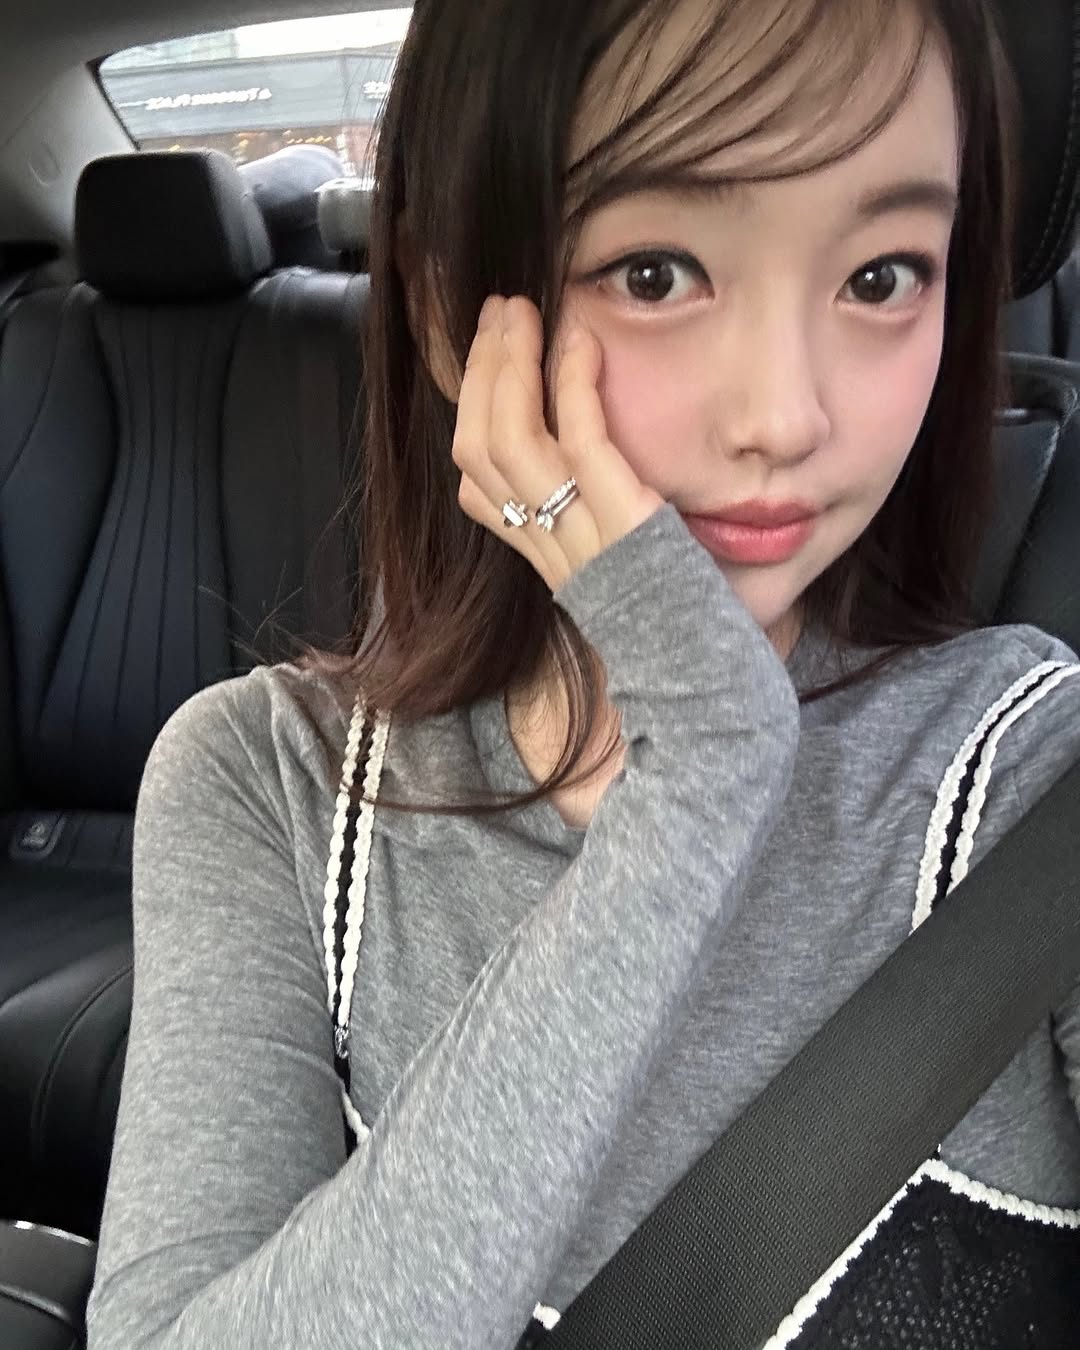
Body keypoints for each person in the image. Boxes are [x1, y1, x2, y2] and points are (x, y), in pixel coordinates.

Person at [86, 0, 1080, 1347]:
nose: (785, 416)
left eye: (882, 275)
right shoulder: (267, 786)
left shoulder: (1039, 789)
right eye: (656, 273)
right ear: (450, 313)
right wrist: (703, 758)